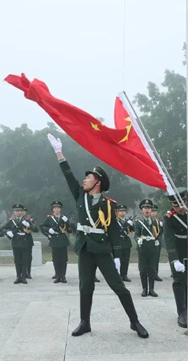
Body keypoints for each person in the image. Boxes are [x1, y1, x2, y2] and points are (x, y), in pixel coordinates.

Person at [47, 133, 149, 339]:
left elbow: (112, 230)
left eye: (89, 177)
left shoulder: (109, 204)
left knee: (118, 287)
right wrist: (59, 153)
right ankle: (85, 322)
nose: (84, 179)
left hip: (102, 250)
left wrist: (118, 256)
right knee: (85, 286)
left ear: (98, 182)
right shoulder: (80, 196)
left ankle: (134, 321)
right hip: (85, 249)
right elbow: (69, 176)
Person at [163, 188, 188, 328]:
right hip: (178, 252)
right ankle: (182, 312)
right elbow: (169, 240)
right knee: (179, 281)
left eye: (180, 204)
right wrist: (174, 259)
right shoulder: (169, 218)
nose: (178, 208)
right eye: (175, 206)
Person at [3, 204, 37, 284]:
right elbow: (2, 229)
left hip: (25, 242)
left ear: (22, 212)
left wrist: (29, 225)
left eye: (19, 210)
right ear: (14, 212)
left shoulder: (26, 221)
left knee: (24, 260)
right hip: (16, 242)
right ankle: (18, 276)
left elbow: (35, 229)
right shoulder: (12, 221)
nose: (18, 212)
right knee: (17, 260)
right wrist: (8, 232)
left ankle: (23, 277)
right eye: (16, 211)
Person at [40, 200, 72, 283]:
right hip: (54, 240)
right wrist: (49, 230)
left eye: (58, 208)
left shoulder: (64, 218)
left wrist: (67, 222)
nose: (57, 209)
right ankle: (58, 275)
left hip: (62, 239)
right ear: (52, 210)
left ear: (60, 209)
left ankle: (63, 276)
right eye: (55, 208)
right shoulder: (50, 219)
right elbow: (42, 226)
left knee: (63, 259)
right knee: (56, 259)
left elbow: (70, 230)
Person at [134, 199, 160, 297]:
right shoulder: (138, 222)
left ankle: (152, 289)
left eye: (149, 208)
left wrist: (157, 240)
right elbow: (136, 235)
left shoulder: (155, 222)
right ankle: (144, 288)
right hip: (143, 247)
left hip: (153, 247)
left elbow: (159, 233)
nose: (147, 210)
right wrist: (138, 240)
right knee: (143, 268)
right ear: (142, 210)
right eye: (145, 208)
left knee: (152, 269)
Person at [115, 204, 133, 282]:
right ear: (117, 212)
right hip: (118, 242)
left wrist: (131, 226)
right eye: (120, 211)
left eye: (124, 211)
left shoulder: (127, 221)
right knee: (118, 260)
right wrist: (124, 226)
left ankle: (124, 274)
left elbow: (131, 232)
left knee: (126, 260)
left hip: (126, 242)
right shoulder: (115, 221)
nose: (122, 213)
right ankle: (117, 275)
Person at [21, 206, 36, 279]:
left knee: (28, 258)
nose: (23, 212)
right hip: (20, 241)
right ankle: (22, 272)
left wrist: (29, 224)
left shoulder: (29, 220)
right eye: (21, 211)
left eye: (24, 211)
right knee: (21, 258)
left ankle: (28, 272)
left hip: (28, 240)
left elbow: (35, 229)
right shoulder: (17, 220)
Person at [151, 205, 164, 282]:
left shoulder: (158, 221)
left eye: (154, 211)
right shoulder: (145, 221)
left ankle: (155, 274)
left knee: (156, 259)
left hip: (156, 242)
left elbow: (161, 232)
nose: (153, 213)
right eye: (152, 211)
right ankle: (149, 274)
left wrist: (158, 240)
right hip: (148, 242)